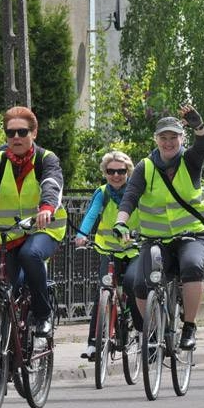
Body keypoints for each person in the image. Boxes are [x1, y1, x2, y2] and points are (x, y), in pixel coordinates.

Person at [114, 105, 204, 351]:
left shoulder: (189, 161)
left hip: (192, 235)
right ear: (156, 139)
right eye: (163, 137)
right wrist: (121, 221)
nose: (168, 142)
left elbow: (203, 147)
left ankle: (189, 326)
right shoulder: (144, 167)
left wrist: (198, 126)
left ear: (182, 138)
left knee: (191, 267)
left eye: (174, 137)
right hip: (156, 239)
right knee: (139, 283)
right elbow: (130, 197)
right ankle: (154, 333)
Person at [0, 106, 67, 342]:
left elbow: (52, 184)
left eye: (22, 132)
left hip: (43, 229)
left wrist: (46, 208)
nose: (16, 137)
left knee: (30, 254)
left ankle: (42, 315)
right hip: (6, 235)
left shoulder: (46, 159)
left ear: (34, 133)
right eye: (11, 132)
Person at [74, 151, 142, 359]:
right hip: (108, 249)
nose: (116, 175)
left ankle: (139, 328)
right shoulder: (102, 192)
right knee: (102, 292)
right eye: (111, 171)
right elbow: (92, 215)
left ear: (128, 171)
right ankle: (93, 344)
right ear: (105, 172)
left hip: (134, 249)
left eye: (121, 171)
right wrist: (81, 235)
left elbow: (148, 215)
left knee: (133, 285)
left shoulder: (136, 191)